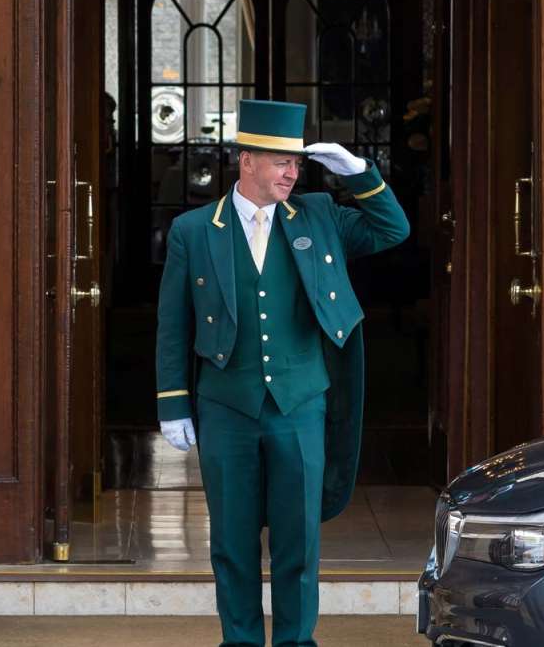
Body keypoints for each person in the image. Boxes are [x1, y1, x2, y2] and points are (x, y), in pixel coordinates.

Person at [154, 99, 409, 646]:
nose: (292, 173)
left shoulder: (320, 216)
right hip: (227, 405)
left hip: (300, 404)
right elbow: (173, 324)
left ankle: (296, 642)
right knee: (233, 541)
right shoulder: (195, 230)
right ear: (246, 160)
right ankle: (241, 641)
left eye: (297, 164)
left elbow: (394, 229)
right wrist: (173, 402)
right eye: (280, 162)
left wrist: (359, 173)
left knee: (298, 543)